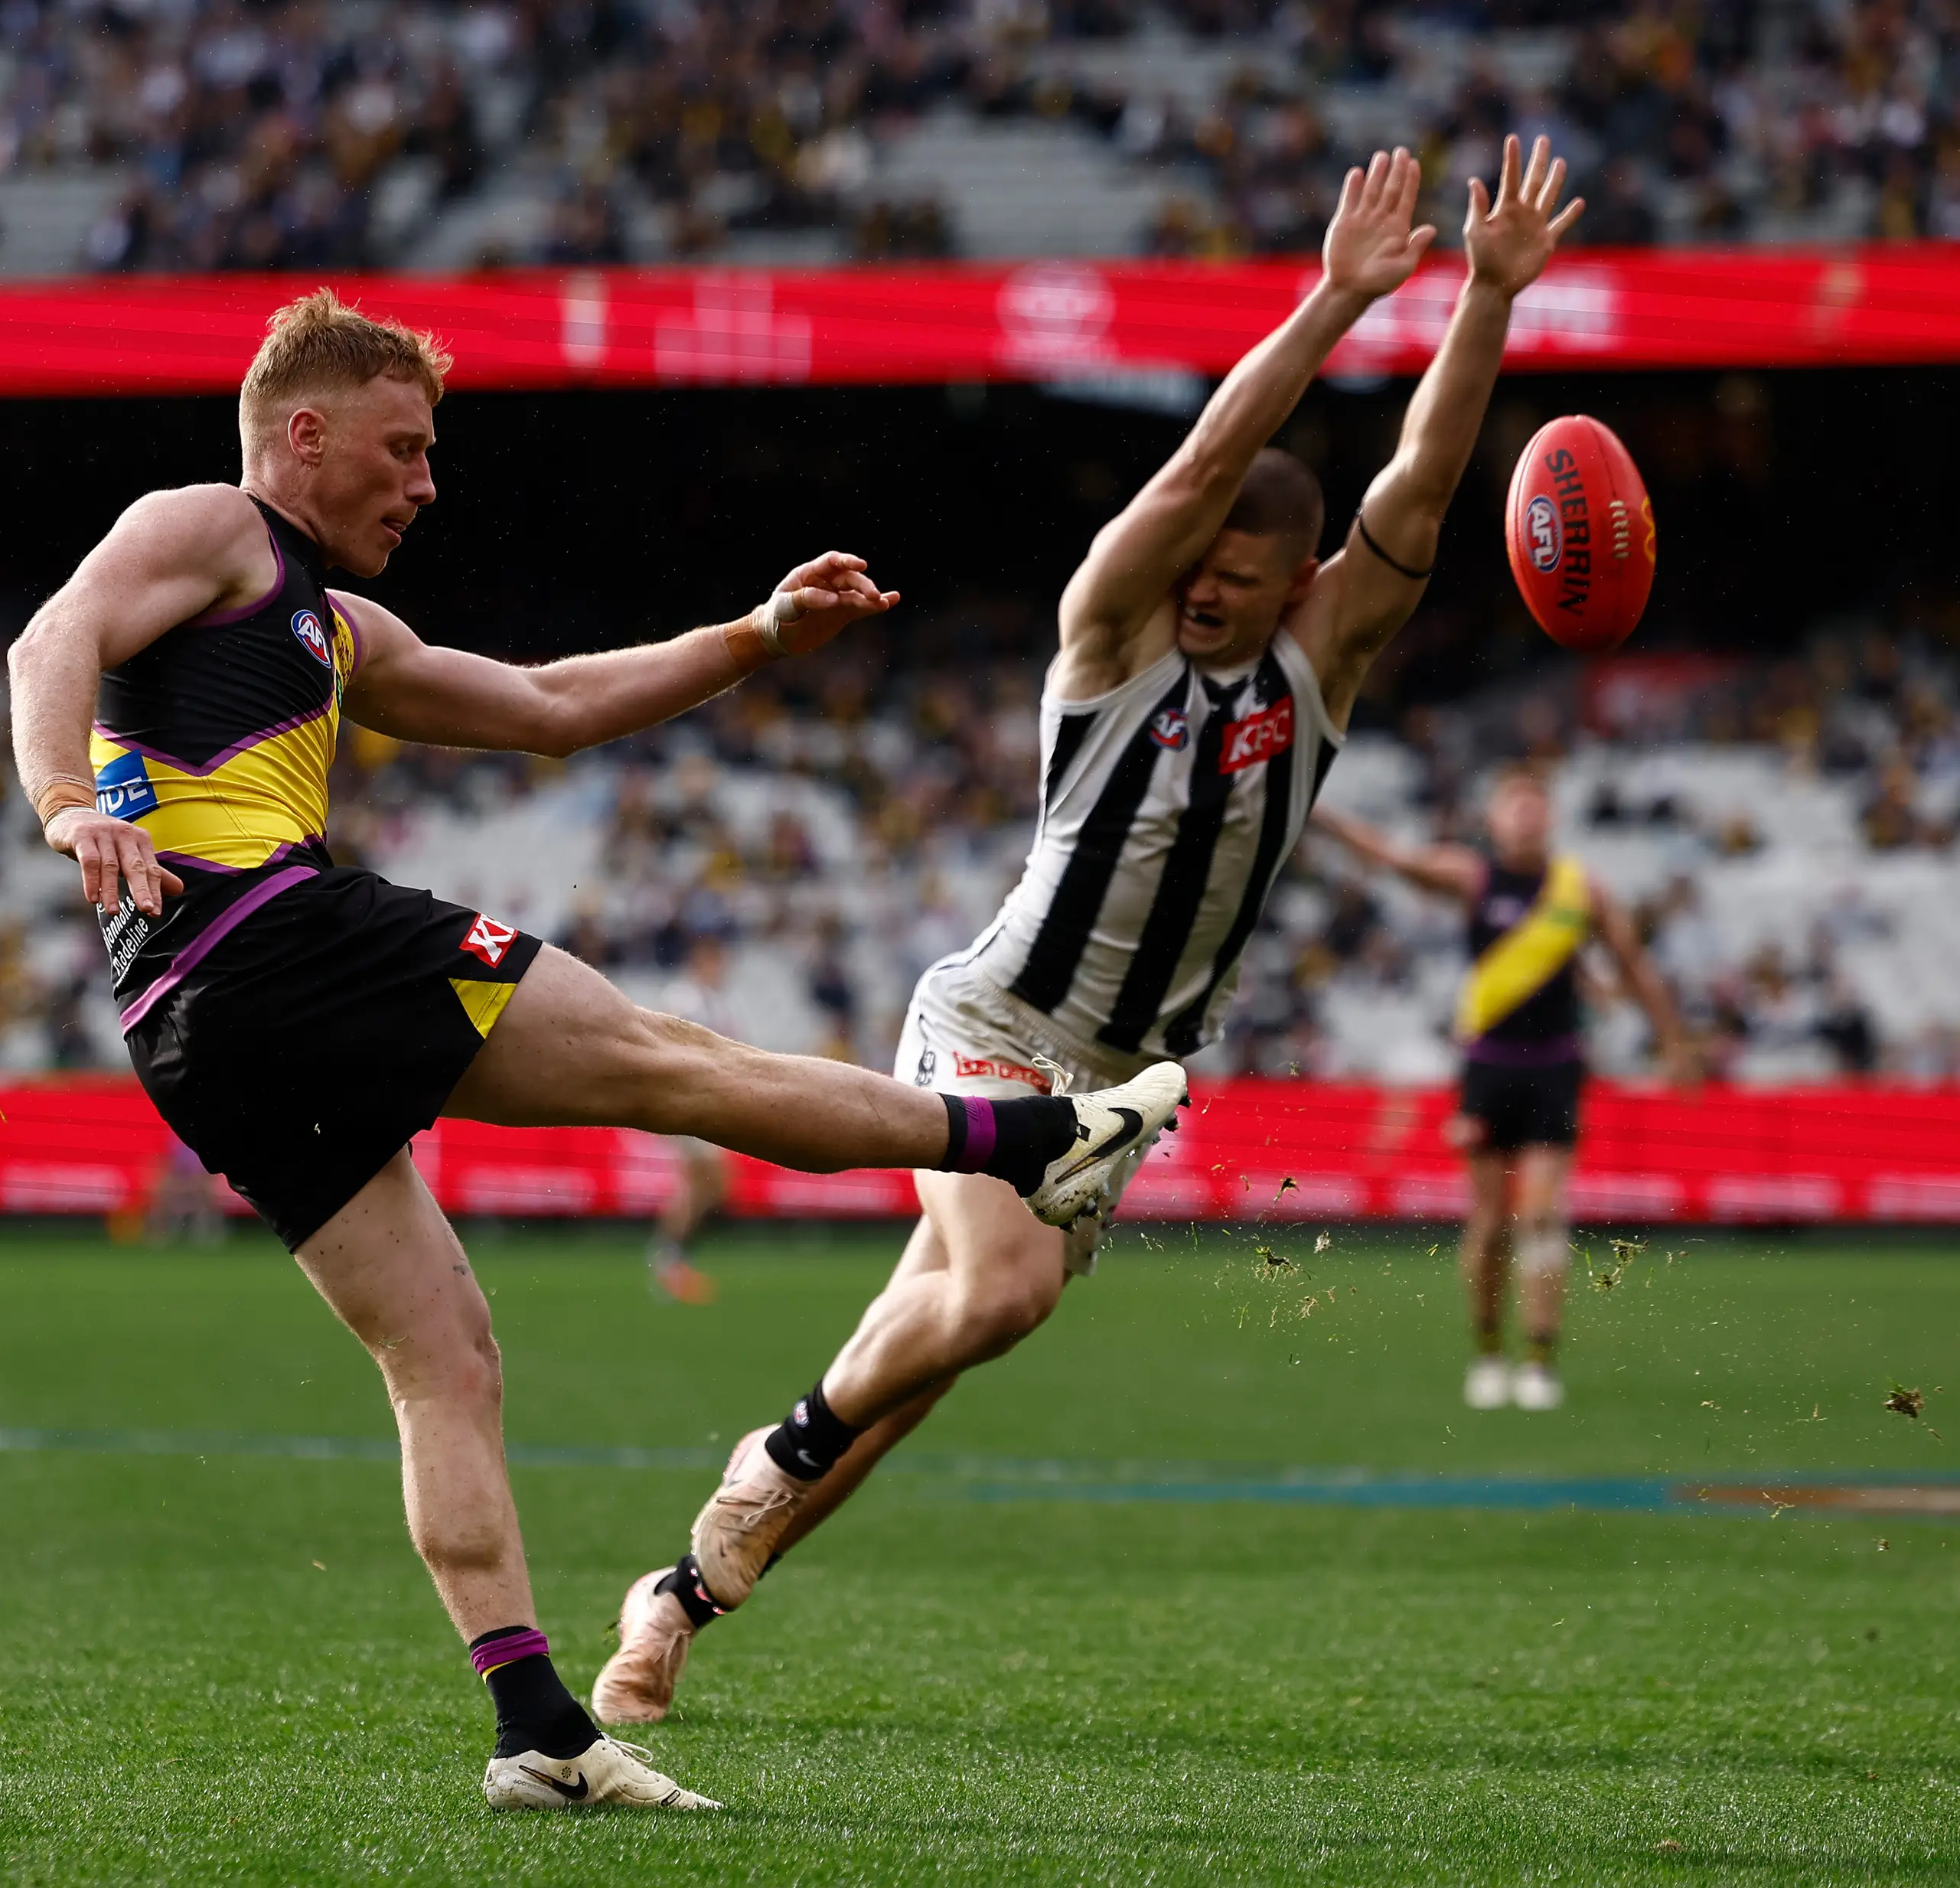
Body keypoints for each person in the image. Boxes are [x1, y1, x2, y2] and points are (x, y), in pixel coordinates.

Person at [2, 288, 1186, 1814]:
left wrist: (756, 635)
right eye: (404, 448)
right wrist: (62, 805)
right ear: (302, 434)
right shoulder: (213, 527)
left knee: (445, 1361)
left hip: (189, 1024)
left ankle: (538, 1735)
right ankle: (1039, 1143)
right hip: (268, 936)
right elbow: (58, 633)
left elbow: (551, 709)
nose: (427, 484)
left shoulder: (334, 625)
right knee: (671, 1061)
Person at [591, 137, 1587, 1725]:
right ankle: (762, 1470)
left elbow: (1415, 491)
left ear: (1299, 584)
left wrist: (1484, 303)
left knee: (924, 1364)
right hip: (1001, 1023)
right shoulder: (1111, 634)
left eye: (1241, 578)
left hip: (1127, 1090)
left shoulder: (1320, 665)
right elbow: (1197, 473)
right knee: (996, 1302)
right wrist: (1333, 306)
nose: (1205, 587)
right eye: (1197, 565)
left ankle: (687, 1596)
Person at [1309, 768, 1686, 1412]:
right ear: (1496, 817)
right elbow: (1390, 856)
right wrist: (1317, 811)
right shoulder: (1473, 876)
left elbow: (1632, 963)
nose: (1527, 816)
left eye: (1537, 804)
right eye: (1516, 805)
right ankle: (1488, 1353)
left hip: (1556, 1067)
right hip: (1487, 1066)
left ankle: (1538, 1360)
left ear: (1552, 817)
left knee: (1540, 1215)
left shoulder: (1579, 890)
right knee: (1488, 1223)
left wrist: (1674, 1043)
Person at [645, 934, 741, 1305]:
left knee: (707, 1186)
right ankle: (669, 1262)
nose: (722, 970)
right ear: (701, 962)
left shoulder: (712, 1002)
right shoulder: (683, 1000)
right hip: (688, 1101)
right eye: (716, 962)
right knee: (705, 1183)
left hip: (704, 1101)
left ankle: (671, 1260)